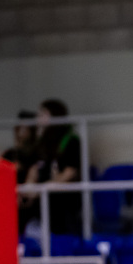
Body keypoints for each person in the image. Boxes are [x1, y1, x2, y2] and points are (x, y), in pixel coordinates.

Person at [33, 99, 83, 237]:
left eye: (43, 114)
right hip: (43, 199)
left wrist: (45, 187)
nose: (38, 118)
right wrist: (32, 187)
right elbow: (35, 169)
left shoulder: (71, 141)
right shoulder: (42, 142)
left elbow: (69, 173)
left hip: (63, 201)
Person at [3, 109, 41, 234]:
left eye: (25, 128)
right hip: (11, 203)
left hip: (31, 208)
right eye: (18, 127)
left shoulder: (39, 154)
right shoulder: (9, 154)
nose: (20, 131)